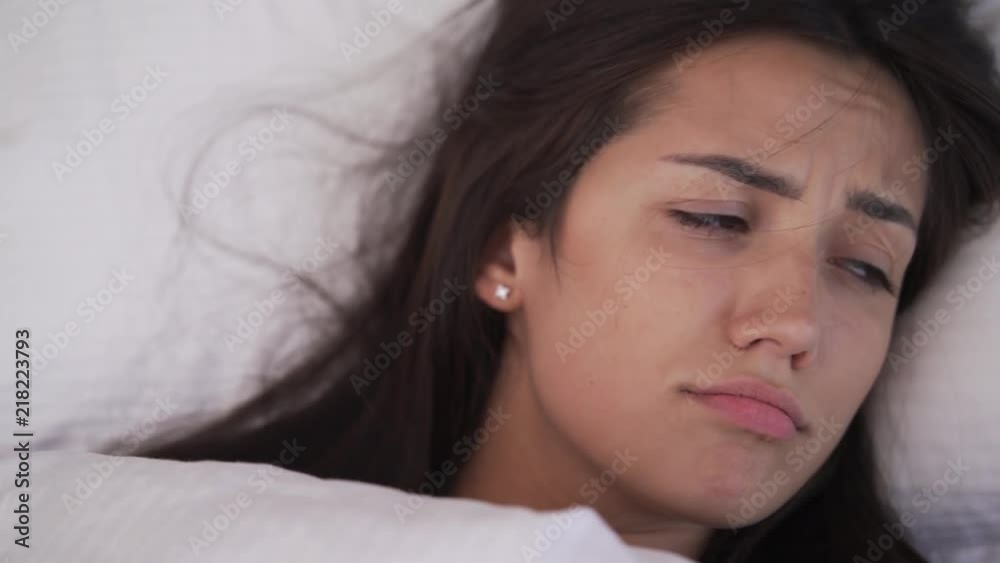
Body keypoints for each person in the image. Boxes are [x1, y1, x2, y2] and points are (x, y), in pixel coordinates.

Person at [136, 1, 1000, 560]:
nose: (796, 321)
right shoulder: (169, 530)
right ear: (501, 250)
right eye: (714, 218)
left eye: (864, 266)